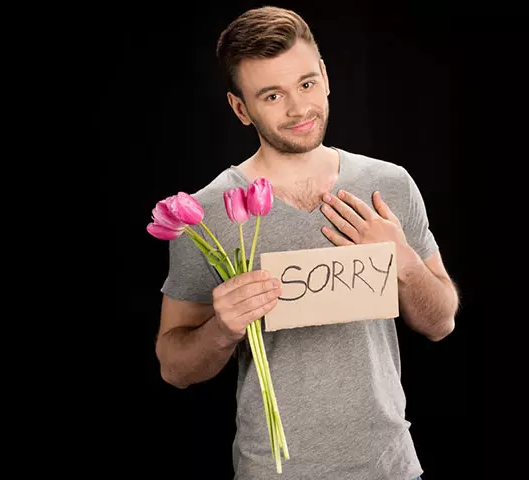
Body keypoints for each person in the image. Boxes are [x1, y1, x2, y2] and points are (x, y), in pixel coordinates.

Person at [155, 6, 459, 479]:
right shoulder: (207, 214)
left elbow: (442, 322)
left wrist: (403, 262)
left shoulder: (390, 184)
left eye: (306, 84)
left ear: (325, 76)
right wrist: (222, 329)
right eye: (272, 95)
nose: (298, 109)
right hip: (273, 472)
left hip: (393, 468)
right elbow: (173, 366)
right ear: (241, 108)